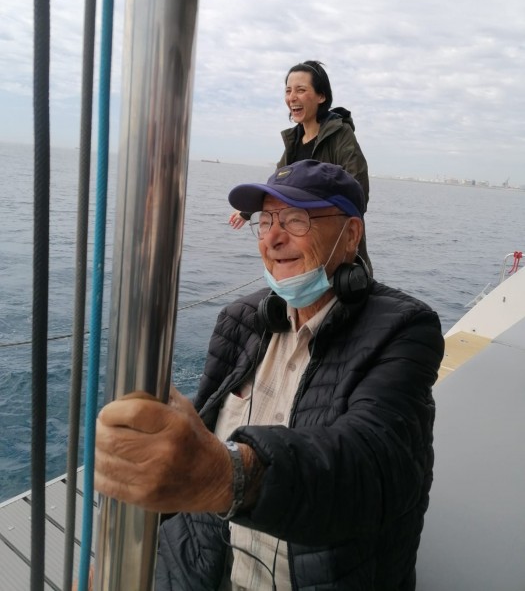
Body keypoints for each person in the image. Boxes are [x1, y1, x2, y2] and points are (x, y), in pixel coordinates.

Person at [95, 160, 444, 591]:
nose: (273, 238)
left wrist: (225, 475)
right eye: (265, 221)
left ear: (351, 234)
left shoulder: (405, 329)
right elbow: (198, 441)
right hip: (202, 569)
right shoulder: (240, 320)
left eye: (295, 220)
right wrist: (112, 557)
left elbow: (372, 464)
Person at [229, 60, 372, 274]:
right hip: (298, 247)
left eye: (301, 90)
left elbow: (358, 192)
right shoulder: (294, 142)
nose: (292, 97)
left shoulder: (340, 135)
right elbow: (275, 187)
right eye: (288, 91)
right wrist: (247, 212)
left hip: (333, 253)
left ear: (321, 96)